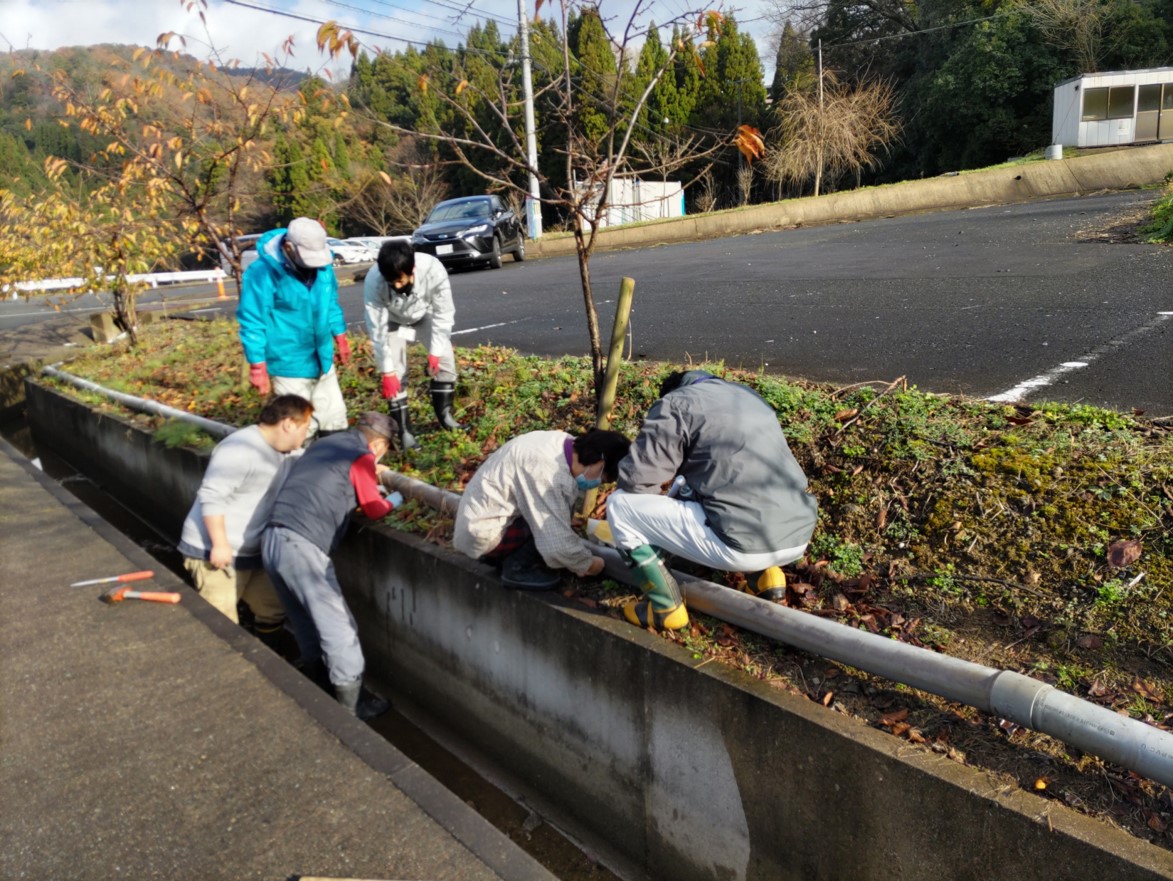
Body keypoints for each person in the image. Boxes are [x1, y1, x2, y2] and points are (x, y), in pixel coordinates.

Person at [605, 370, 819, 632]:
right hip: (797, 535)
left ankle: (665, 609)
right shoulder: (749, 397)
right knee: (726, 491)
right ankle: (767, 578)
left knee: (621, 506)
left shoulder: (676, 403)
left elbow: (637, 480)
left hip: (742, 546)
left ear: (675, 390)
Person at [261, 411, 405, 720]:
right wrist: (396, 498)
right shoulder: (360, 456)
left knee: (306, 622)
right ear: (379, 444)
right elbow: (374, 508)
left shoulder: (327, 444)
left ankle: (321, 689)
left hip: (272, 539)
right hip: (302, 548)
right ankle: (351, 708)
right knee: (339, 630)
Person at [178, 395, 314, 649]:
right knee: (221, 620)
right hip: (214, 549)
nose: (306, 436)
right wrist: (219, 544)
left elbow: (312, 457)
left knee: (271, 607)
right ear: (288, 424)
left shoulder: (285, 452)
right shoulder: (240, 449)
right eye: (306, 428)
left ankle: (270, 659)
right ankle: (229, 670)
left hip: (251, 548)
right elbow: (211, 496)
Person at [453, 428, 631, 590]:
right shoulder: (544, 471)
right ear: (599, 464)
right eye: (604, 479)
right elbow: (556, 544)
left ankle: (504, 557)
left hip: (482, 518)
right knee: (547, 525)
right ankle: (517, 569)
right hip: (482, 531)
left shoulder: (562, 445)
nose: (598, 484)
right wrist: (588, 563)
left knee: (551, 518)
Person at [237, 217, 352, 439]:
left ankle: (333, 470)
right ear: (288, 247)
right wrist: (257, 367)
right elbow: (252, 320)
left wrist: (340, 337)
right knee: (299, 429)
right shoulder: (262, 274)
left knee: (335, 419)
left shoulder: (323, 266)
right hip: (288, 362)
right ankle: (299, 469)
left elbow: (331, 303)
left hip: (322, 358)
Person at [363, 239, 460, 451]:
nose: (396, 286)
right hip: (392, 320)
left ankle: (445, 416)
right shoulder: (374, 281)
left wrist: (434, 352)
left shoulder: (433, 270)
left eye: (400, 280)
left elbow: (444, 313)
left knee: (445, 360)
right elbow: (377, 329)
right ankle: (404, 432)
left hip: (424, 314)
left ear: (412, 269)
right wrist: (387, 372)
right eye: (391, 282)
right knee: (396, 374)